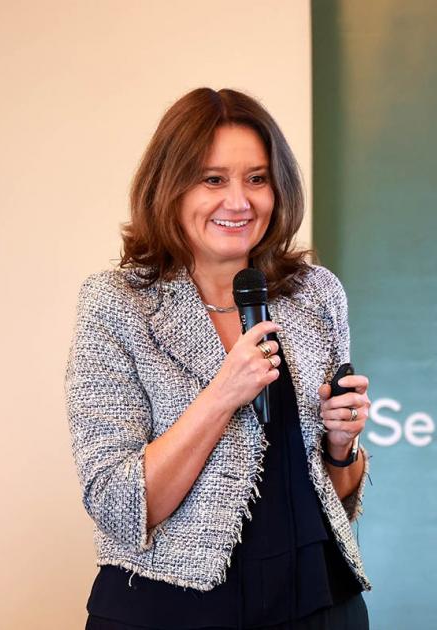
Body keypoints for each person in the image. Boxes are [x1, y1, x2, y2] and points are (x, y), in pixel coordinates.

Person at [66, 87, 371, 629]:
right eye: (213, 179)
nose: (239, 201)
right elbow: (119, 507)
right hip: (172, 609)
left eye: (257, 178)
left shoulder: (315, 293)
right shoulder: (116, 304)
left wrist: (342, 445)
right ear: (170, 188)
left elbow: (335, 497)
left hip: (317, 600)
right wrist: (222, 394)